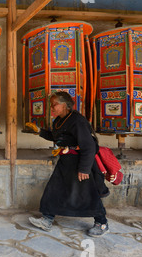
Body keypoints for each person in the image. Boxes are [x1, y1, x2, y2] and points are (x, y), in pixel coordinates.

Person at [26, 91, 109, 237]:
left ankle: (101, 223)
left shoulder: (77, 121)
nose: (51, 108)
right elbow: (57, 137)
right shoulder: (58, 121)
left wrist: (84, 169)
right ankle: (47, 219)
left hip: (81, 163)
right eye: (51, 105)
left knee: (88, 194)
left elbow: (89, 146)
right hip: (65, 162)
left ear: (65, 105)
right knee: (54, 188)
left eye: (55, 105)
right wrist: (40, 131)